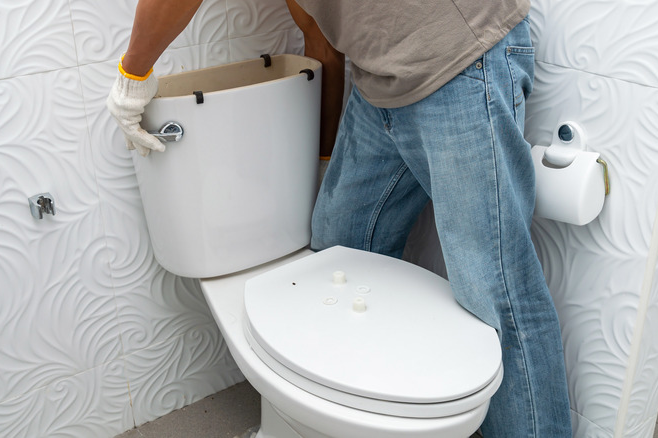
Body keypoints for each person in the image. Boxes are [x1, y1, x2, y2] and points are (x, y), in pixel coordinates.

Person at [107, 1, 573, 436]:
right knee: (339, 248)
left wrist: (134, 72)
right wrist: (328, 157)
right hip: (379, 80)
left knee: (498, 292)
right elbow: (322, 44)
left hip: (458, 60)